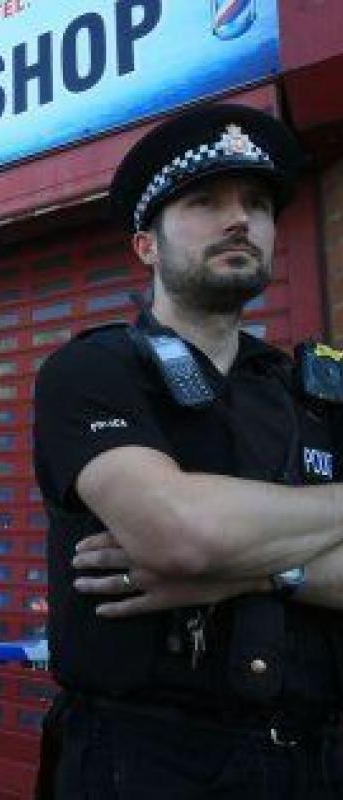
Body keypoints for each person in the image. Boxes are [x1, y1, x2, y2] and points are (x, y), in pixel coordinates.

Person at [32, 104, 343, 798]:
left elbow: (203, 550)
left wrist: (261, 574)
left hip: (317, 762)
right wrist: (296, 548)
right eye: (205, 202)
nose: (239, 221)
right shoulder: (95, 370)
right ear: (147, 246)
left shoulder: (317, 393)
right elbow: (178, 532)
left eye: (257, 204)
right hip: (146, 762)